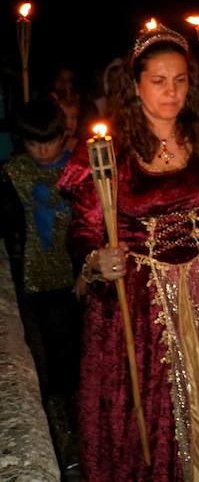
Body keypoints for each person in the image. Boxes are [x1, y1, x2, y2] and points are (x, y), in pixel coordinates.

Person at [59, 25, 199, 481]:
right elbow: (83, 227)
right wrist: (94, 260)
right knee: (147, 418)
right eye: (159, 81)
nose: (171, 91)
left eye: (180, 80)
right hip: (137, 300)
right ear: (136, 86)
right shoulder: (106, 150)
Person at [1, 98, 81, 468]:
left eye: (49, 141)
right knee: (54, 356)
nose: (43, 150)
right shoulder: (13, 173)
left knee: (83, 349)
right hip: (39, 278)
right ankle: (63, 436)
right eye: (34, 143)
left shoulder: (82, 168)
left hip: (82, 275)